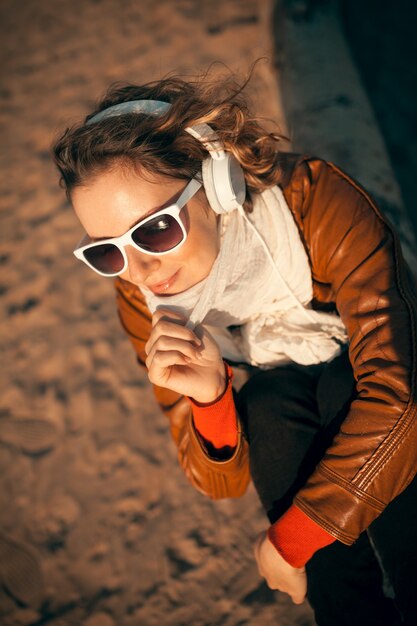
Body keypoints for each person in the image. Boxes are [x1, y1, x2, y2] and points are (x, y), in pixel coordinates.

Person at [52, 72, 417, 626]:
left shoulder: (317, 203)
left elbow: (401, 397)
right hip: (283, 390)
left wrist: (290, 542)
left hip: (372, 378)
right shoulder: (139, 293)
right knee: (267, 407)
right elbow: (221, 483)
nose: (141, 269)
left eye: (154, 230)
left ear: (218, 183)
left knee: (347, 389)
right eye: (108, 251)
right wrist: (211, 398)